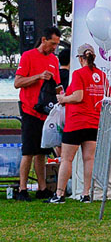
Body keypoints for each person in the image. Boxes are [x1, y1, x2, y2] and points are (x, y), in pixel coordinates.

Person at [48, 44, 109, 204]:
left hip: (76, 121)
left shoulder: (78, 74)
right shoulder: (101, 75)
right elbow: (107, 96)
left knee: (66, 159)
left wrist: (63, 99)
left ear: (80, 58)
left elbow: (78, 96)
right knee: (89, 159)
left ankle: (59, 194)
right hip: (94, 122)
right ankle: (86, 194)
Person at [13, 26, 61, 201]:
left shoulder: (54, 61)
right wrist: (38, 76)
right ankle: (22, 188)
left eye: (57, 45)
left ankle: (42, 188)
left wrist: (61, 98)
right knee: (28, 152)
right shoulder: (28, 56)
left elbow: (56, 85)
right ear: (43, 40)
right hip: (29, 110)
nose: (54, 47)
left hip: (45, 112)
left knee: (42, 152)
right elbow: (17, 82)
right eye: (52, 43)